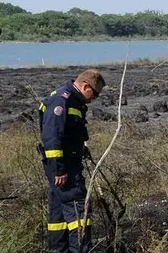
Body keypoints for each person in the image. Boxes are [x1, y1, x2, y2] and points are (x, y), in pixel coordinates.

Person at [38, 69, 105, 253]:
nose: (95, 98)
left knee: (58, 218)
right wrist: (59, 169)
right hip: (64, 169)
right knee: (79, 213)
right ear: (85, 86)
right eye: (95, 93)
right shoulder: (62, 100)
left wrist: (81, 149)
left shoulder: (74, 101)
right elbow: (52, 138)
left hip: (68, 166)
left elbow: (68, 134)